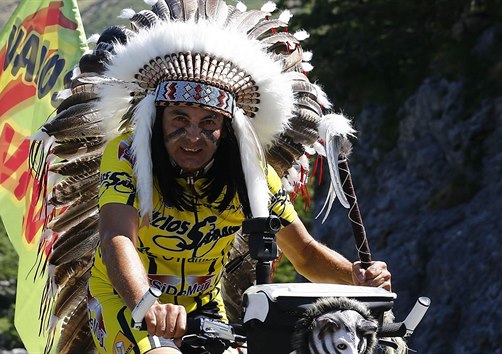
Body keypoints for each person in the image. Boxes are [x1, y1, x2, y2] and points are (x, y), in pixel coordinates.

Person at [37, 2, 391, 353]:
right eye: (179, 118)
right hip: (126, 301)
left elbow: (305, 255)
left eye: (209, 122)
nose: (193, 136)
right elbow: (117, 236)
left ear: (227, 128)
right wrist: (147, 305)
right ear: (157, 119)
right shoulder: (127, 155)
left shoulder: (253, 176)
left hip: (204, 306)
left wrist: (355, 277)